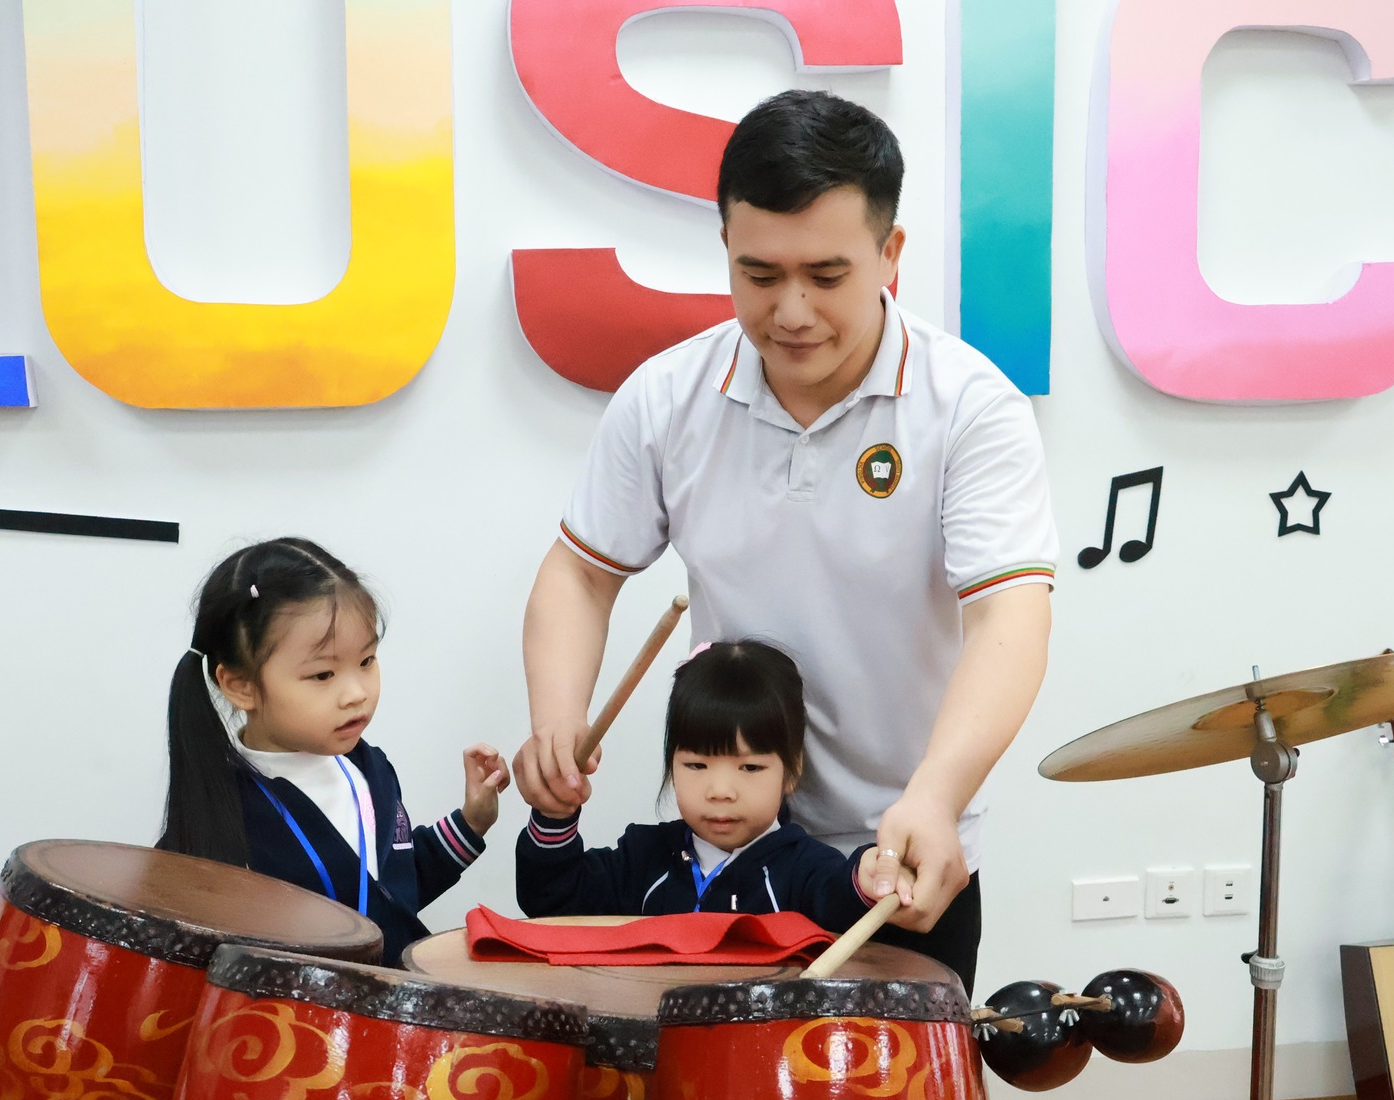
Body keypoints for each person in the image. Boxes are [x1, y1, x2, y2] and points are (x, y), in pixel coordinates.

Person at [513, 90, 1057, 992]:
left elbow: (1011, 619)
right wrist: (557, 717)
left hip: (898, 853)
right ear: (726, 247)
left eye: (827, 275)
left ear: (890, 253)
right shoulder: (668, 398)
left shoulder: (970, 409)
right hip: (731, 850)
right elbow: (580, 573)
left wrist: (937, 795)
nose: (792, 311)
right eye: (759, 275)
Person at [157, 538, 508, 959]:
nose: (357, 693)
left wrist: (472, 822)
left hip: (394, 996)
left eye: (366, 661)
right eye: (323, 675)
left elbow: (391, 892)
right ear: (241, 686)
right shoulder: (222, 813)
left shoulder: (371, 767)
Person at [517, 640, 905, 929]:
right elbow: (552, 901)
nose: (720, 791)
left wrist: (868, 876)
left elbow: (841, 901)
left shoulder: (805, 871)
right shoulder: (643, 858)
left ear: (791, 771)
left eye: (750, 767)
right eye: (696, 764)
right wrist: (555, 817)